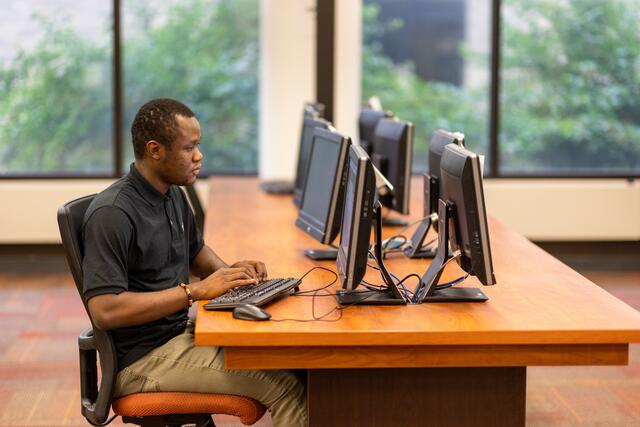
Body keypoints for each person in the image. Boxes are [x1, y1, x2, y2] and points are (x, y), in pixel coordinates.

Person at [82, 98, 307, 426]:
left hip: (177, 334)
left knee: (301, 363)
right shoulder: (113, 213)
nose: (199, 156)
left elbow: (195, 251)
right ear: (155, 150)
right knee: (287, 386)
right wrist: (194, 293)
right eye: (189, 148)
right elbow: (105, 310)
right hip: (141, 361)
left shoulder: (171, 193)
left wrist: (231, 274)